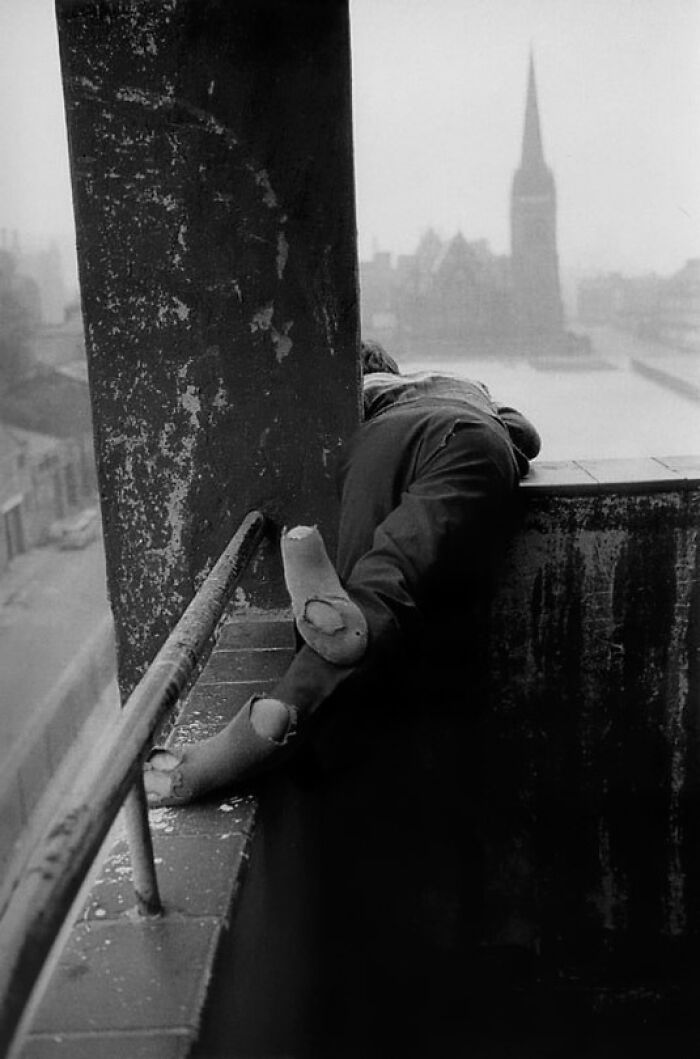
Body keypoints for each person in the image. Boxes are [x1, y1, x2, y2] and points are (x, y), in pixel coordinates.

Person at [144, 340, 540, 806]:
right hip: (471, 437)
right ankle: (286, 710)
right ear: (395, 366)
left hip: (374, 446)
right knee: (389, 580)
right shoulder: (461, 384)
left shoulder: (365, 396)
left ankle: (295, 718)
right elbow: (526, 436)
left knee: (355, 601)